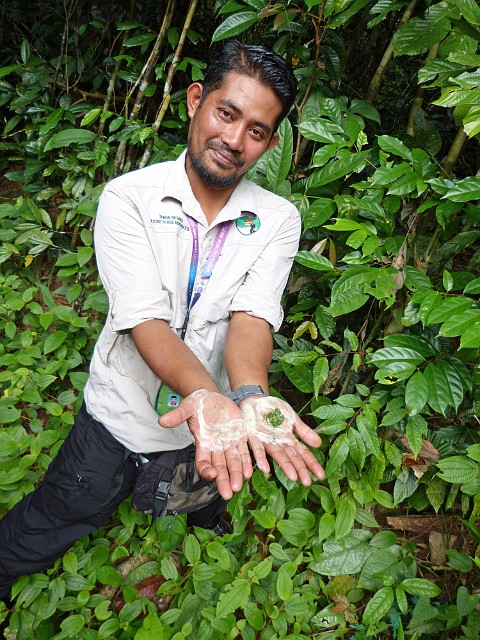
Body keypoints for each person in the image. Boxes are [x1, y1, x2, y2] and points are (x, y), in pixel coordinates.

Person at [0, 40, 324, 600]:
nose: (234, 140)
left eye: (256, 130)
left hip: (213, 424)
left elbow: (252, 318)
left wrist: (247, 393)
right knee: (61, 512)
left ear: (269, 142)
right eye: (227, 113)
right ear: (196, 100)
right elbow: (143, 320)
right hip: (120, 414)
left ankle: (199, 513)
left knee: (203, 490)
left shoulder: (278, 220)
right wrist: (205, 394)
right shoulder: (129, 199)